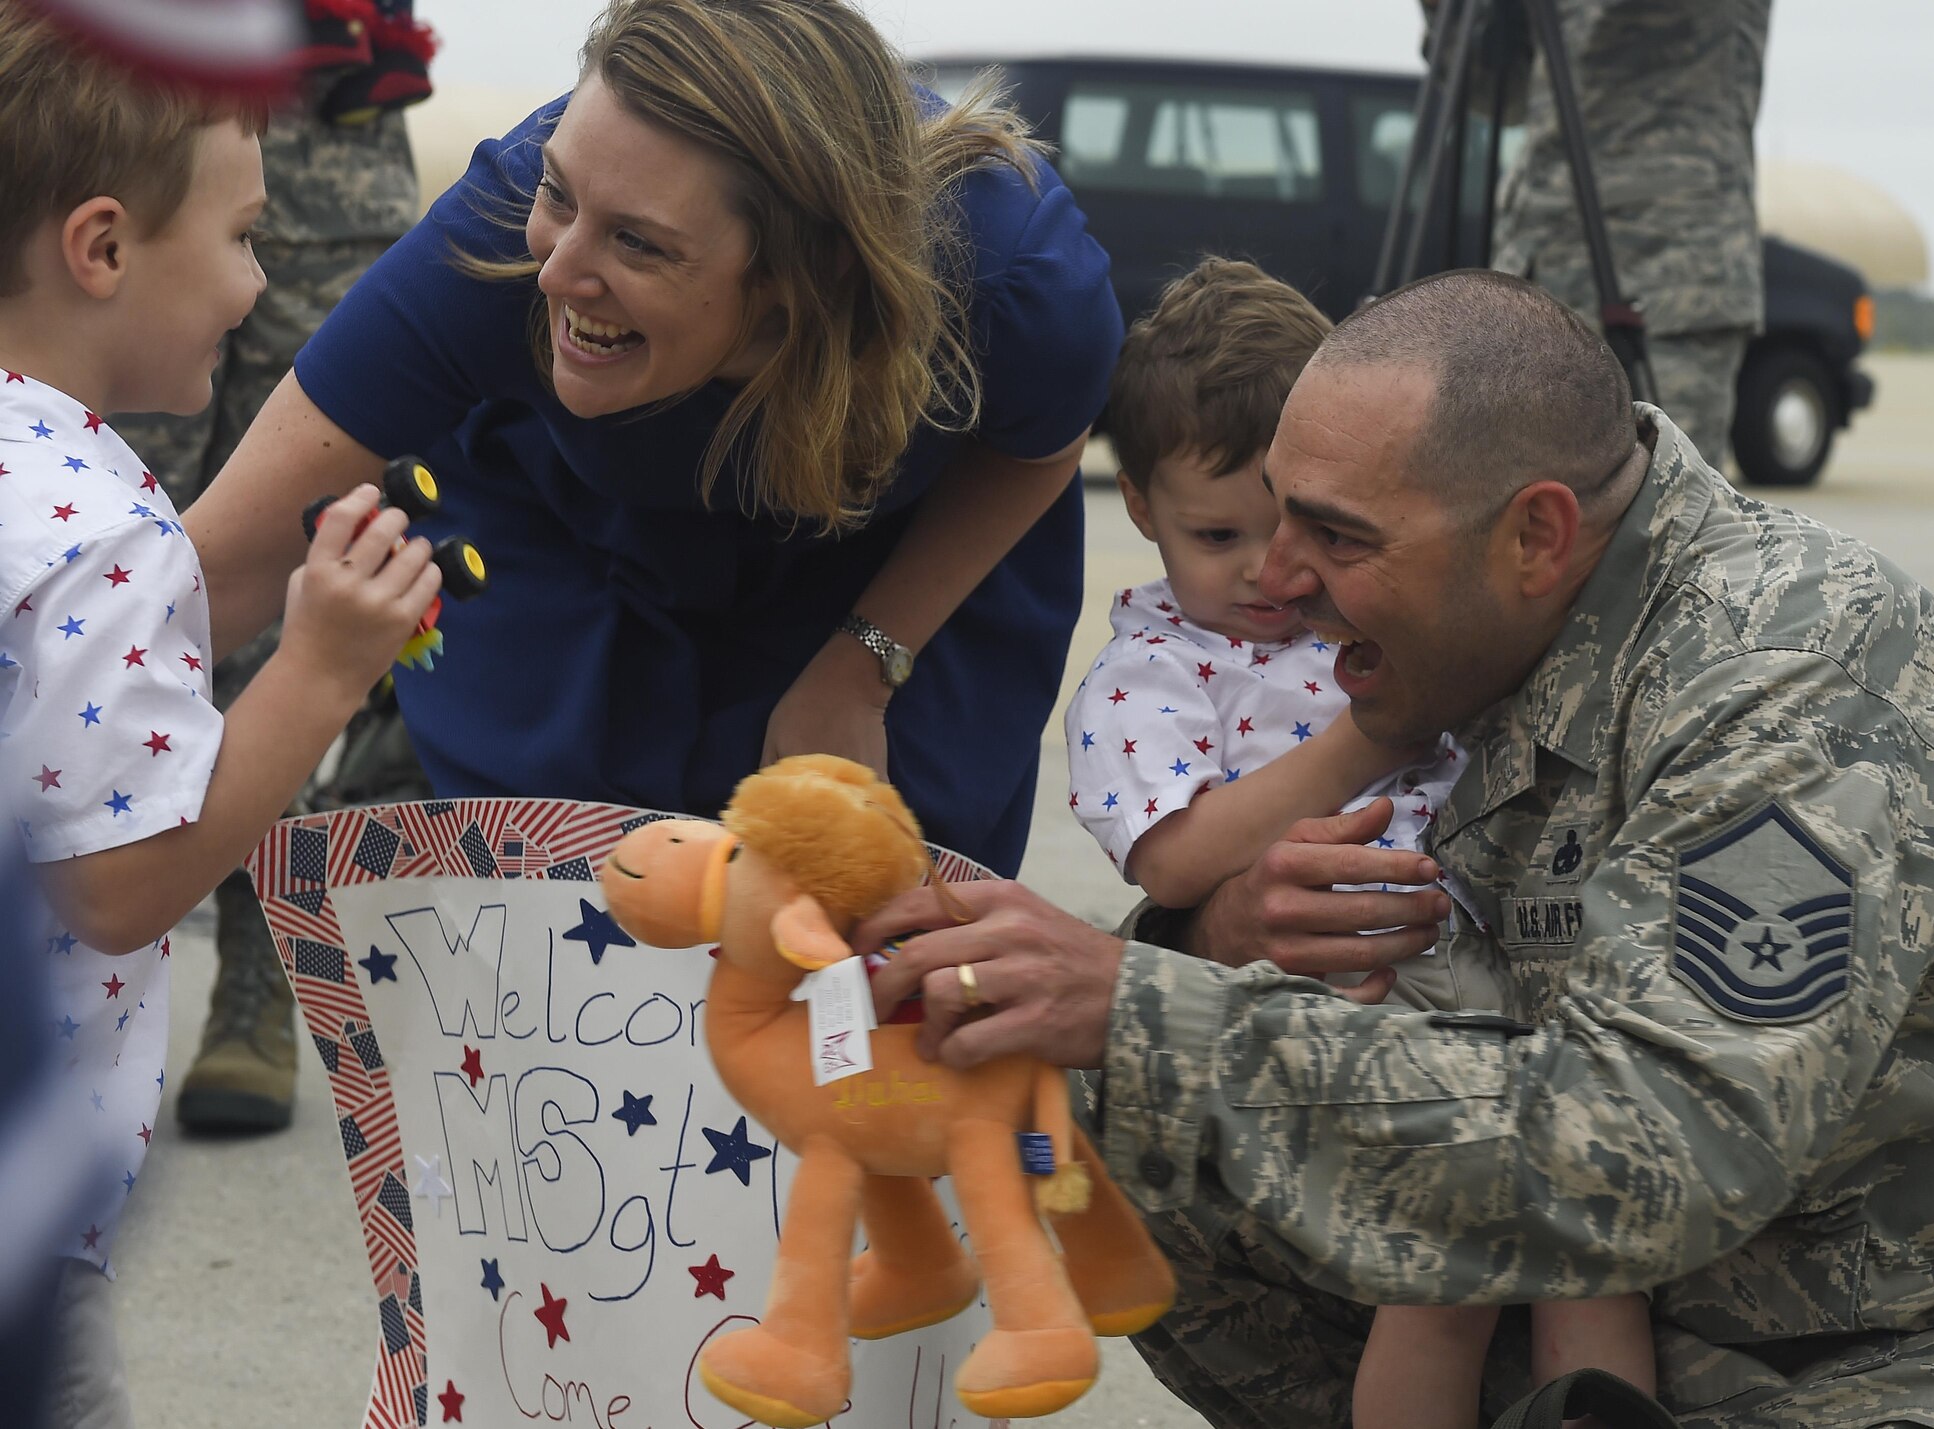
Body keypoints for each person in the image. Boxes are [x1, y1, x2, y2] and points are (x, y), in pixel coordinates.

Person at [859, 269, 1934, 1425]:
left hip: (1863, 1349)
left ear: (1535, 534)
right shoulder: (1467, 615)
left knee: (1146, 1053)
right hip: (1568, 1308)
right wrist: (1213, 932)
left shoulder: (1793, 684)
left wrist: (1141, 1008)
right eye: (1273, 510)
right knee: (1094, 1106)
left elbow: (1656, 1155)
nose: (1283, 579)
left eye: (1336, 536)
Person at [177, 0, 1122, 878]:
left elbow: (1038, 446)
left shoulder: (1014, 276)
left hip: (888, 555)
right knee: (573, 893)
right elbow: (219, 569)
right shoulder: (503, 231)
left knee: (858, 880)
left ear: (813, 268)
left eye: (639, 244)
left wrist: (865, 661)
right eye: (561, 195)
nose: (559, 274)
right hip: (566, 528)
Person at [1067, 257, 1652, 1427]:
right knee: (1442, 1276)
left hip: (1498, 963)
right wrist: (1368, 736)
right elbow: (1174, 862)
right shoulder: (1158, 670)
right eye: (1219, 533)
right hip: (1351, 997)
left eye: (1304, 525)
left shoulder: (1372, 598)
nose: (1269, 571)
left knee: (1599, 1246)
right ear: (1138, 508)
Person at [0, 12, 442, 1420]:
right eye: (245, 237)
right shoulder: (96, 529)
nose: (259, 285)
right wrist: (318, 665)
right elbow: (119, 883)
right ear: (106, 248)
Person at [115, 0, 435, 1134]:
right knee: (111, 567)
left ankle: (255, 979)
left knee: (299, 566)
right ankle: (81, 966)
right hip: (118, 139)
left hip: (324, 162)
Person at [1486, 0, 1771, 465]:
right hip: (1536, 271)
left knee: (1663, 515)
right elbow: (1501, 90)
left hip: (1664, 271)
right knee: (1518, 510)